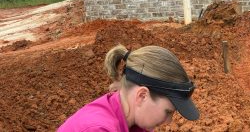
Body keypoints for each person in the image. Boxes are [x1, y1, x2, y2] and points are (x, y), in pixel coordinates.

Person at [58, 44, 199, 132]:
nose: (168, 121)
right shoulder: (98, 129)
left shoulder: (134, 121)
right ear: (142, 96)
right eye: (168, 112)